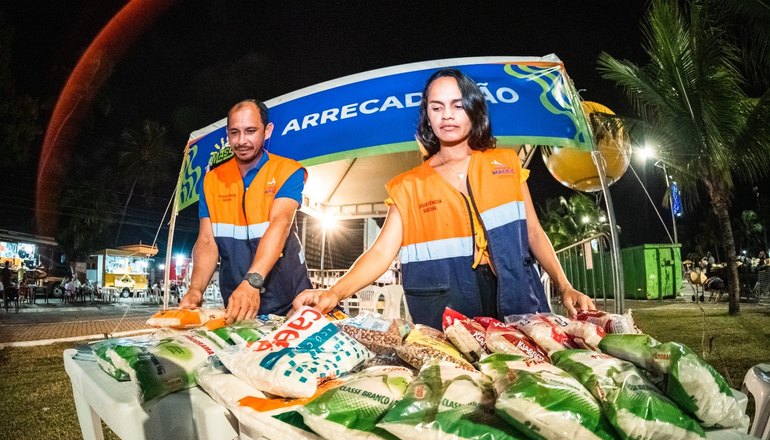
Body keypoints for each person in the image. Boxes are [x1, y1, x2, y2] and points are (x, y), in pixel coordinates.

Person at [293, 69, 594, 327]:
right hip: (449, 314)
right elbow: (380, 254)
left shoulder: (506, 163)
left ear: (473, 109)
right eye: (436, 108)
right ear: (428, 116)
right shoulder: (408, 185)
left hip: (518, 301)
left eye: (457, 105)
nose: (447, 115)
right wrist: (335, 292)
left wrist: (564, 286)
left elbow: (533, 233)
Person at [180, 99, 312, 321]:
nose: (241, 141)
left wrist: (252, 281)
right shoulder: (211, 180)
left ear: (267, 131)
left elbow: (280, 225)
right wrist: (195, 289)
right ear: (227, 134)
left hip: (291, 302)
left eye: (250, 131)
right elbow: (206, 242)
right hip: (238, 306)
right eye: (234, 133)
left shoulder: (288, 171)